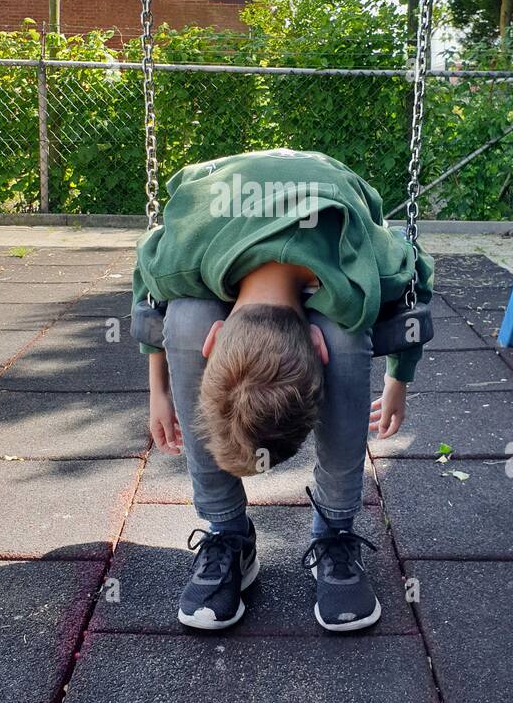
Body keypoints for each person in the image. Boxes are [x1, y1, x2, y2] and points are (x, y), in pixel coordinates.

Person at [132, 148, 432, 633]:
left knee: (348, 332)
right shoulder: (179, 258)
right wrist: (158, 389)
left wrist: (400, 378)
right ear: (217, 337)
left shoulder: (368, 268)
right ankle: (228, 531)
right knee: (183, 319)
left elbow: (417, 272)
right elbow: (144, 280)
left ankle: (334, 527)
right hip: (219, 198)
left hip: (329, 195)